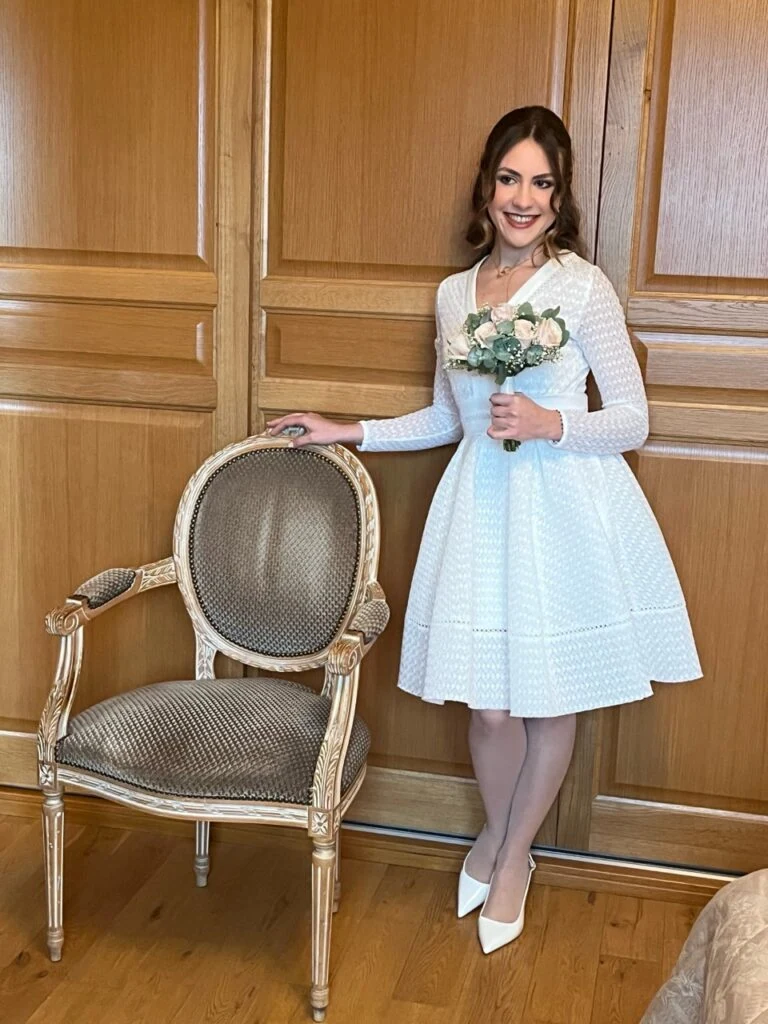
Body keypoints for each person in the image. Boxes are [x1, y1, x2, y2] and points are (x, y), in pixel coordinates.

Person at [268, 106, 701, 955]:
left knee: (546, 699)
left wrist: (550, 423)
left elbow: (636, 420)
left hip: (562, 509)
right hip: (480, 506)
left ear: (561, 195)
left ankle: (510, 859)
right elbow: (446, 418)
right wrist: (346, 430)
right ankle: (508, 836)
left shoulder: (581, 286)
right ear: (486, 185)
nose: (524, 197)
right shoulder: (452, 293)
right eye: (511, 178)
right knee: (492, 709)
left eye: (542, 183)